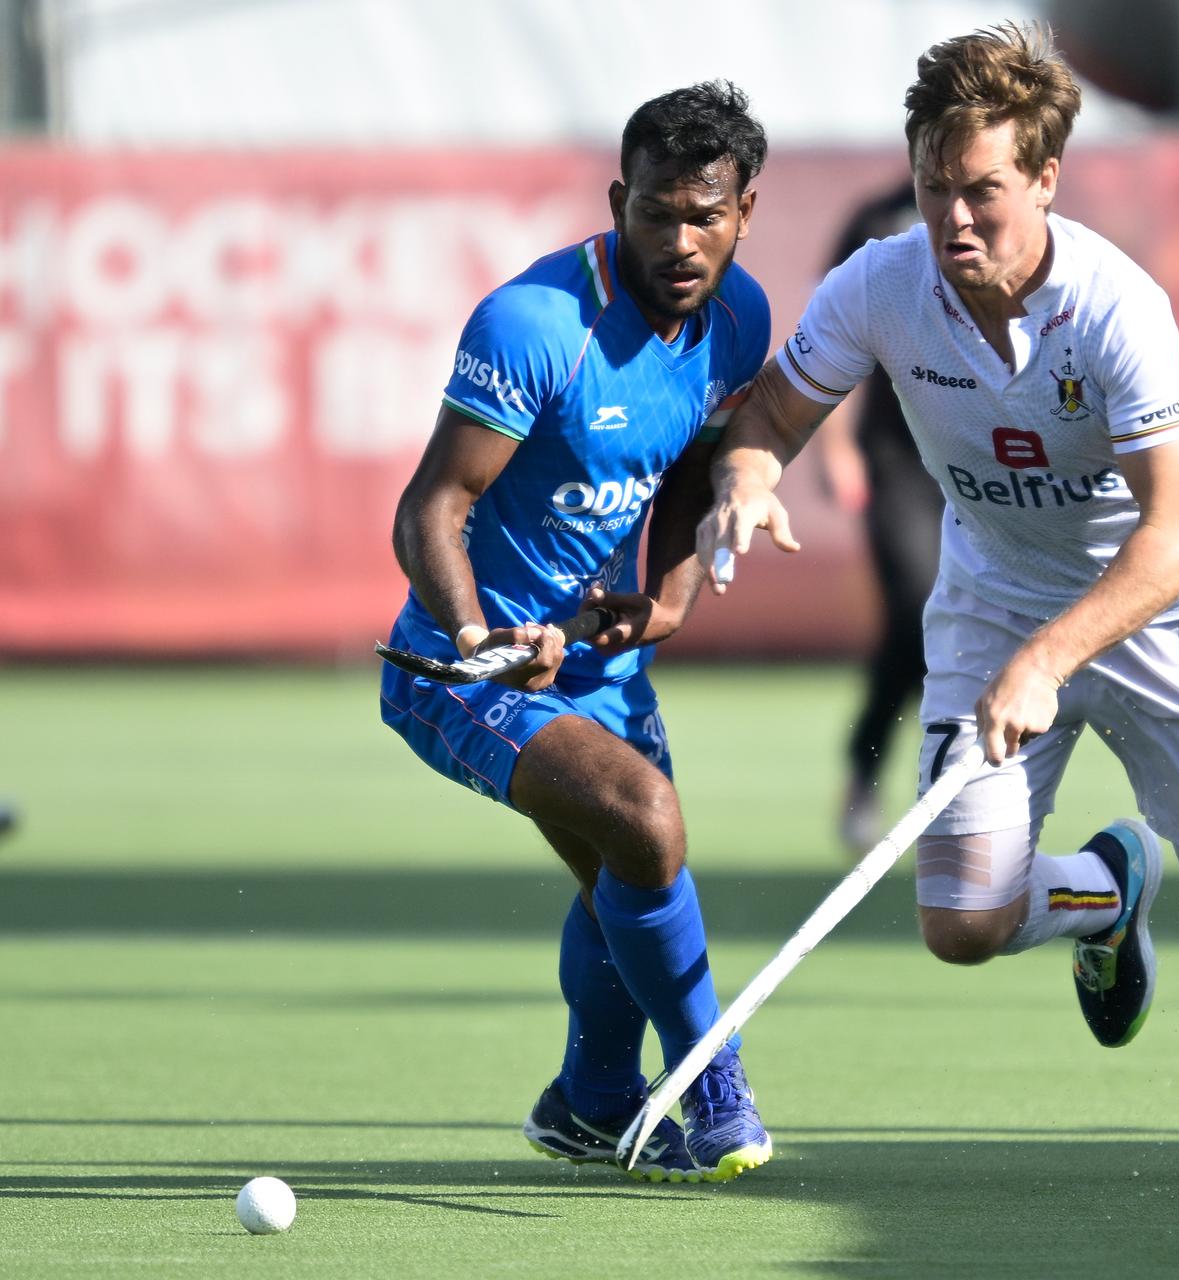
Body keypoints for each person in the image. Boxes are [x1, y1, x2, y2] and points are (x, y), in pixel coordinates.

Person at [697, 24, 1179, 1177]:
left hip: (1158, 613)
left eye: (983, 192)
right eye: (935, 189)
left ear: (1045, 178)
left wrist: (1052, 658)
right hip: (992, 600)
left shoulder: (1117, 308)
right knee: (962, 922)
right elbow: (772, 413)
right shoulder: (884, 280)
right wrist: (746, 475)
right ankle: (1108, 889)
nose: (954, 220)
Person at [380, 82, 773, 1184]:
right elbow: (431, 510)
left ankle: (590, 1103)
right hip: (465, 669)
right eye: (656, 212)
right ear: (618, 199)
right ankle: (712, 1078)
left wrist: (671, 596)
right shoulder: (536, 323)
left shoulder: (741, 314)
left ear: (747, 211)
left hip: (603, 659)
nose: (680, 240)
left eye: (706, 214)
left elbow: (697, 463)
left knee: (624, 877)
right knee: (646, 823)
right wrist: (476, 637)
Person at [811, 178, 948, 852]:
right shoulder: (877, 217)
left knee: (947, 624)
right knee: (922, 607)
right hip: (899, 461)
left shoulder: (1006, 208)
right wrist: (836, 449)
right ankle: (872, 774)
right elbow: (831, 337)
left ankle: (958, 792)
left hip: (985, 455)